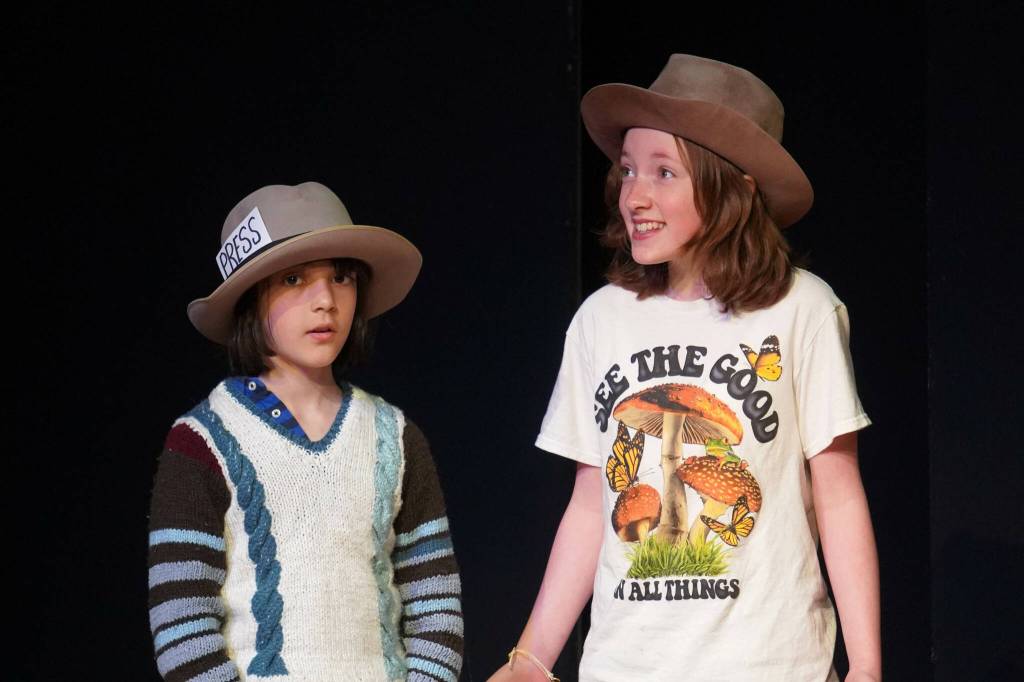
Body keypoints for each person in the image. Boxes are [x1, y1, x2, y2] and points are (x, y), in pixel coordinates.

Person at [489, 55, 880, 682]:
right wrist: (532, 658)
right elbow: (592, 501)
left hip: (773, 665)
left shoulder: (802, 307)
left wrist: (865, 665)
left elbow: (836, 493)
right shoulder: (602, 319)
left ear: (734, 190)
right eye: (627, 172)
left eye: (664, 172)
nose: (634, 196)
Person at [147, 182, 463, 682]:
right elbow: (181, 623)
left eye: (341, 277)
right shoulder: (202, 440)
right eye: (294, 279)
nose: (325, 301)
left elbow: (437, 606)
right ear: (251, 299)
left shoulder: (395, 438)